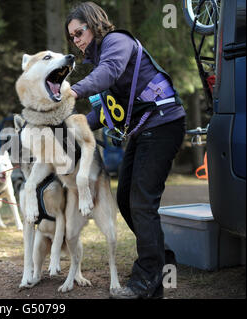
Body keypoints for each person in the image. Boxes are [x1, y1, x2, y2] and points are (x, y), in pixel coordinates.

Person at [65, 2, 186, 299]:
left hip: (163, 125)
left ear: (93, 25)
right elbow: (104, 114)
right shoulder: (98, 60)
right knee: (126, 199)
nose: (76, 40)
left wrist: (73, 90)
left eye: (79, 32)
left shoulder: (116, 43)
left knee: (142, 202)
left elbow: (109, 72)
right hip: (144, 131)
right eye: (72, 37)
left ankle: (146, 279)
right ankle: (161, 262)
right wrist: (65, 129)